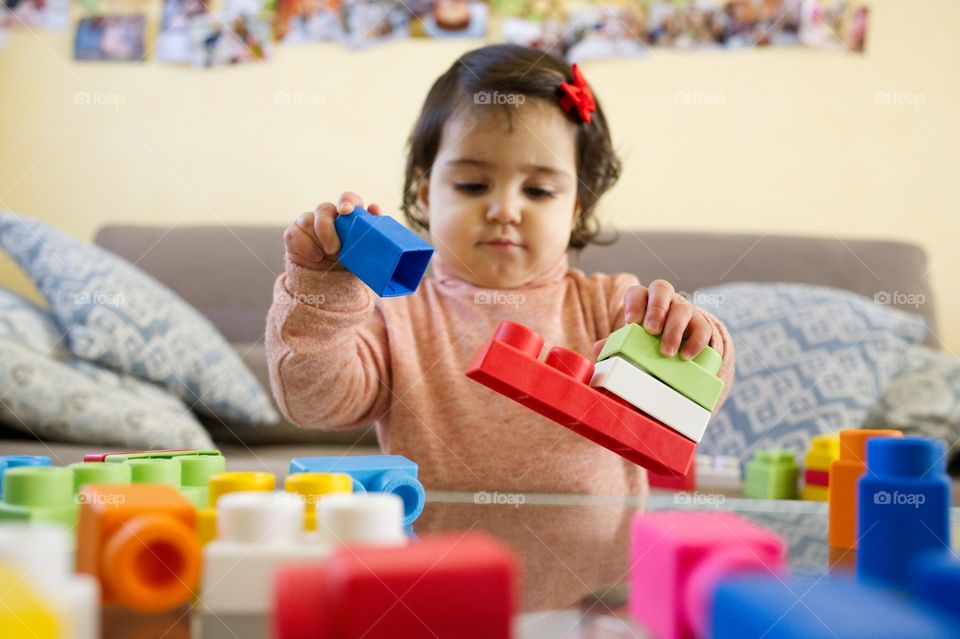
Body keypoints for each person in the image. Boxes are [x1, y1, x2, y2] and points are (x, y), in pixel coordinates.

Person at [266, 44, 735, 496]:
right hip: (434, 571)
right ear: (426, 195)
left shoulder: (613, 306)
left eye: (538, 191)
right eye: (473, 184)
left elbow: (695, 405)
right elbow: (314, 404)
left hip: (595, 578)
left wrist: (691, 337)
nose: (505, 210)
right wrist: (321, 291)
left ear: (577, 205)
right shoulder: (395, 319)